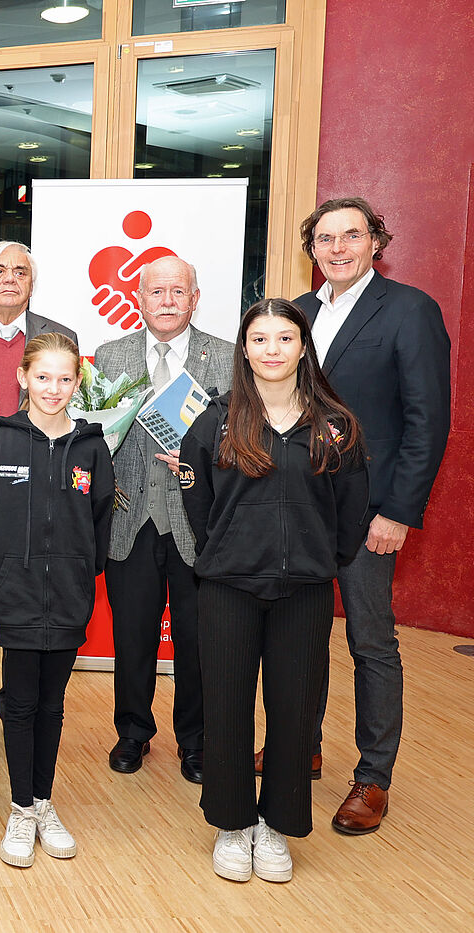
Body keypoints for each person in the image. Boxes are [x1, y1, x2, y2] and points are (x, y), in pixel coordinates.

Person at [180, 298, 368, 883]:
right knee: (228, 704)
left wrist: (318, 561)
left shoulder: (335, 426)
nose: (272, 350)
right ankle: (233, 825)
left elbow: (352, 512)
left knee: (294, 709)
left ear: (303, 347)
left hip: (305, 591)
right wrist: (228, 551)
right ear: (245, 349)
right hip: (229, 587)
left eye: (284, 338)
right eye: (259, 339)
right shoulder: (217, 421)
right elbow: (198, 502)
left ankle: (276, 826)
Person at [287, 198, 451, 835]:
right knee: (301, 635)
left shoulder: (410, 310)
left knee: (371, 644)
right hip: (300, 511)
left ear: (374, 242)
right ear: (313, 249)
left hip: (371, 514)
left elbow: (426, 423)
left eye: (350, 236)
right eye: (325, 238)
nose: (337, 248)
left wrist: (398, 513)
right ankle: (301, 746)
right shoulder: (295, 315)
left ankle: (373, 776)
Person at [0, 332, 113, 869]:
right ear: (23, 378)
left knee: (52, 704)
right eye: (42, 377)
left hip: (68, 595)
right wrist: (1, 572)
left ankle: (43, 801)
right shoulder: (0, 444)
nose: (53, 388)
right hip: (14, 594)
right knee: (20, 700)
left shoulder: (92, 447)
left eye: (64, 379)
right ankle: (20, 806)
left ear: (76, 383)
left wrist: (81, 571)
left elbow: (101, 518)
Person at [95, 255, 231, 783]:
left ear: (195, 299)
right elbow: (94, 433)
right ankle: (132, 732)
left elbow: (240, 439)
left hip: (197, 524)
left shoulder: (225, 357)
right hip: (131, 517)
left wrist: (203, 458)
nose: (168, 301)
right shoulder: (110, 356)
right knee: (133, 637)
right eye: (157, 292)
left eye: (179, 292)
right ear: (140, 299)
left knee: (198, 641)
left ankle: (195, 742)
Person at [0, 240, 77, 759]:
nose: (8, 278)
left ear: (31, 281)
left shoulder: (59, 337)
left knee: (25, 613)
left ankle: (17, 710)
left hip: (35, 501)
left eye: (19, 271)